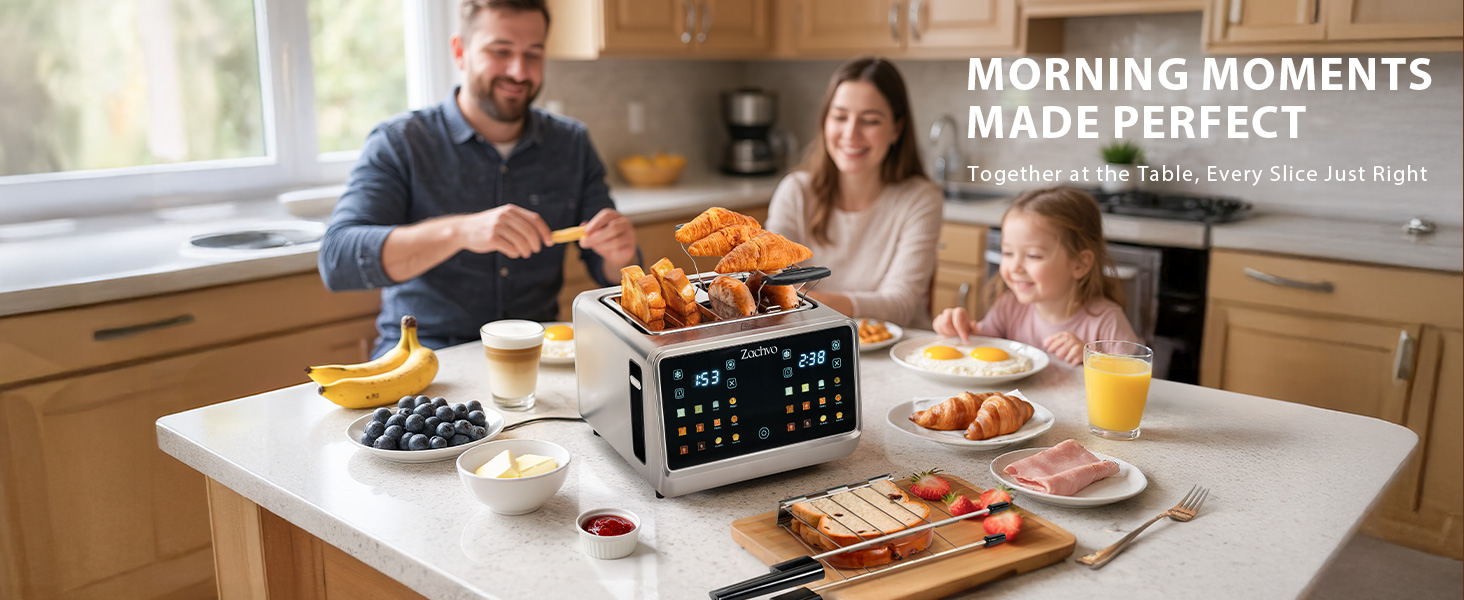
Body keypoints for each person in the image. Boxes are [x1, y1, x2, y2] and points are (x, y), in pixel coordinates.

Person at [319, 0, 638, 356]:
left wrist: (620, 254)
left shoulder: (572, 144)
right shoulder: (401, 142)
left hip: (537, 353)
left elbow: (613, 271)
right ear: (461, 52)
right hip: (423, 357)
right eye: (500, 51)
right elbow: (338, 260)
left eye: (533, 54)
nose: (519, 71)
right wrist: (461, 231)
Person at [763, 57, 943, 330]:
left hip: (893, 353)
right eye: (840, 117)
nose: (851, 133)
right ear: (825, 121)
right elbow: (773, 285)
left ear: (896, 129)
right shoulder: (795, 191)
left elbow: (900, 306)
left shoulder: (920, 199)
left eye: (870, 120)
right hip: (810, 341)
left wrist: (810, 302)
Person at [933, 186, 1139, 365]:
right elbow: (980, 351)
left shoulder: (1106, 321)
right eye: (1008, 253)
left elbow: (1137, 380)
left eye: (1033, 255)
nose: (1015, 267)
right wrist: (957, 329)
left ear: (1080, 263)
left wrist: (1093, 360)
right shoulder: (1008, 306)